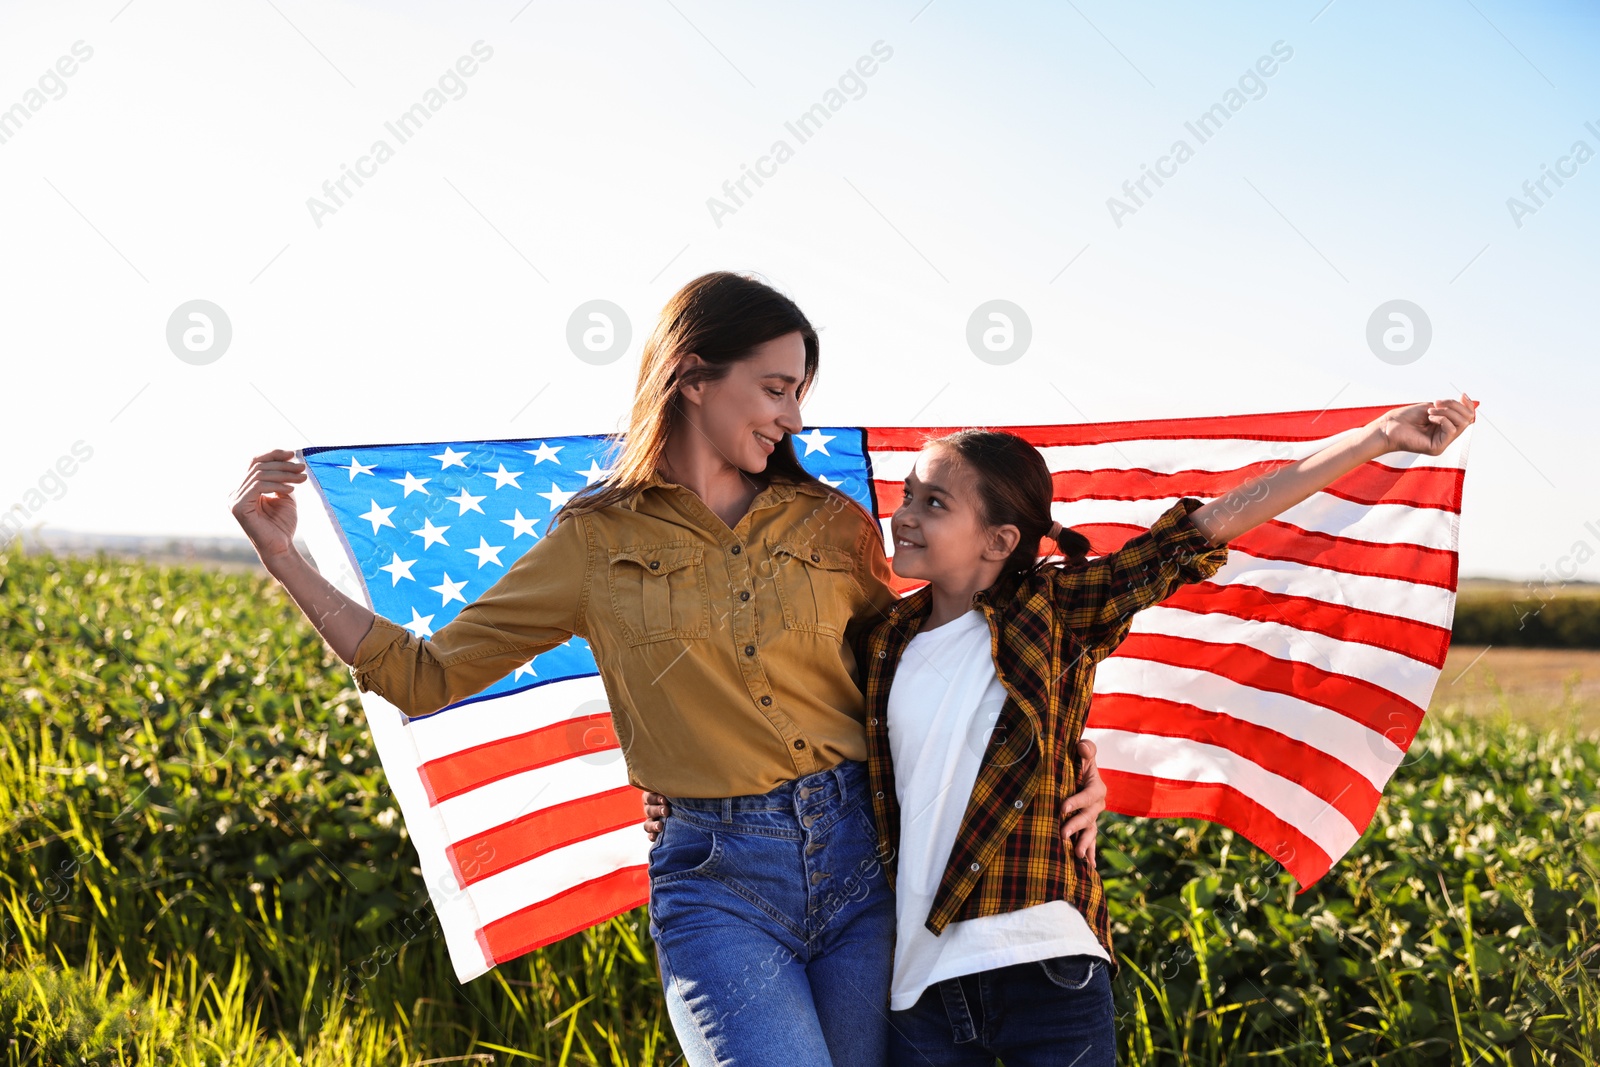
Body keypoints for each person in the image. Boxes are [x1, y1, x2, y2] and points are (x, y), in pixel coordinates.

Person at [228, 269, 1109, 1067]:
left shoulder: (832, 524)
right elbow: (424, 676)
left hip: (863, 868)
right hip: (718, 882)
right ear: (691, 376)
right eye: (774, 388)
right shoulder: (595, 540)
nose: (792, 417)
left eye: (799, 393)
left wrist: (1071, 762)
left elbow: (942, 657)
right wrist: (286, 558)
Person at [847, 396, 1475, 1066]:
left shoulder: (1054, 609)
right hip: (921, 981)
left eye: (934, 504)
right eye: (909, 495)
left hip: (1043, 959)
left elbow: (1198, 533)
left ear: (1000, 540)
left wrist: (1373, 439)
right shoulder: (884, 636)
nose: (905, 515)